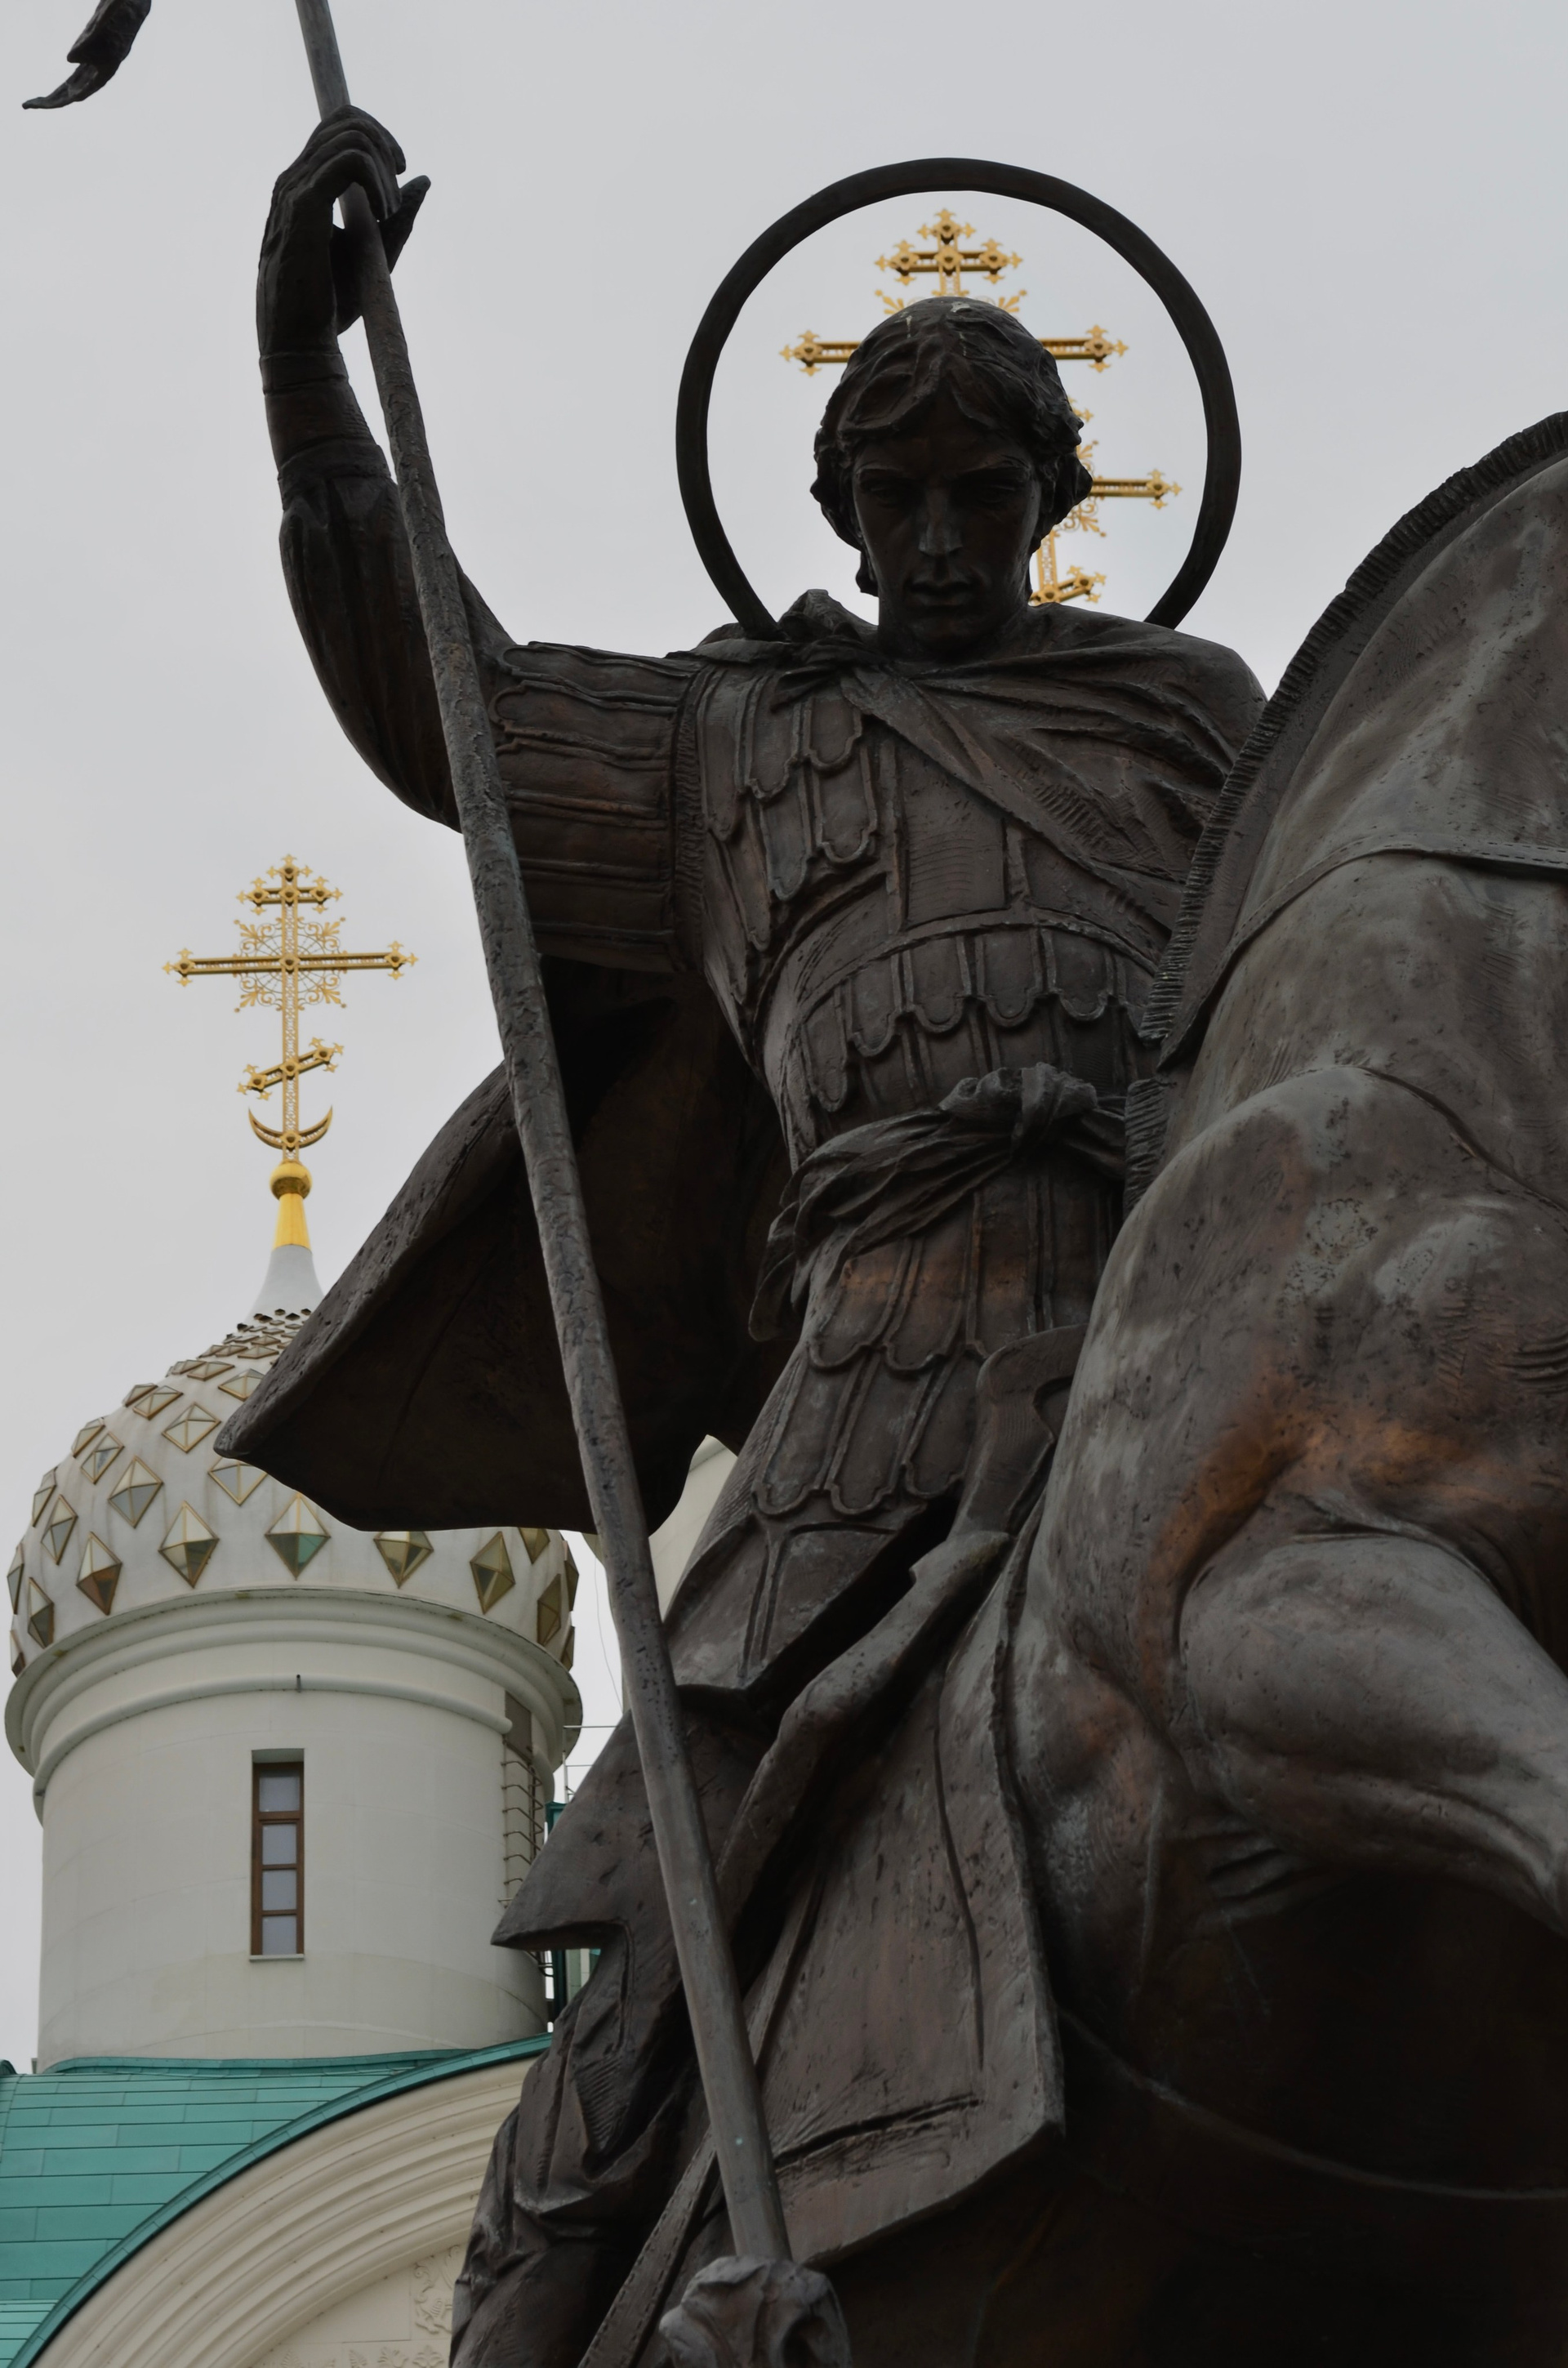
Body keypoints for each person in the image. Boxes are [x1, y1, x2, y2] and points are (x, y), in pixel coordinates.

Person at [244, 108, 1264, 2368]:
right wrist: (310, 380)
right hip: (876, 1390)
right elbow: (450, 714)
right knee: (662, 1901)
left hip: (1170, 1330)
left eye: (980, 495)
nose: (936, 543)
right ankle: (538, 2306)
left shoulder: (1181, 725)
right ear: (835, 512)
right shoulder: (738, 746)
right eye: (894, 501)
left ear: (1056, 499)